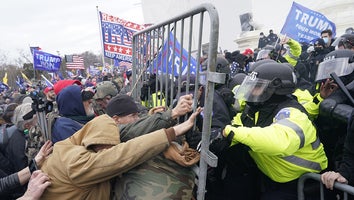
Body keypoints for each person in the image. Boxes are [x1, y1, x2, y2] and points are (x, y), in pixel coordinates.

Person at [213, 62, 328, 199]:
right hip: (273, 181)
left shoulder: (293, 113)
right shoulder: (253, 112)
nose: (251, 91)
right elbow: (234, 130)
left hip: (306, 186)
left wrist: (230, 132)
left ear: (274, 88)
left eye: (257, 87)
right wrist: (215, 138)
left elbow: (280, 142)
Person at [39, 107, 202, 199]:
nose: (110, 150)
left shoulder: (73, 143)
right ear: (92, 141)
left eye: (113, 144)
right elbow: (123, 154)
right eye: (105, 145)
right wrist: (172, 132)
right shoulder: (74, 162)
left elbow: (129, 132)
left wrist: (168, 115)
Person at [105, 94, 199, 200]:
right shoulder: (112, 132)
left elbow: (141, 126)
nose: (137, 119)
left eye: (137, 115)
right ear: (116, 119)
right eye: (133, 116)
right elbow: (132, 130)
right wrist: (173, 113)